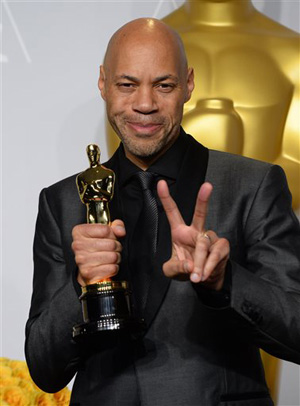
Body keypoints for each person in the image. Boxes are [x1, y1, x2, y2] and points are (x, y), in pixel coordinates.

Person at [25, 18, 300, 406]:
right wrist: (80, 283)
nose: (145, 104)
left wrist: (226, 281)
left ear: (188, 84)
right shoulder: (63, 202)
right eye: (127, 84)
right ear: (103, 83)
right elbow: (43, 369)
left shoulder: (252, 185)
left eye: (164, 85)